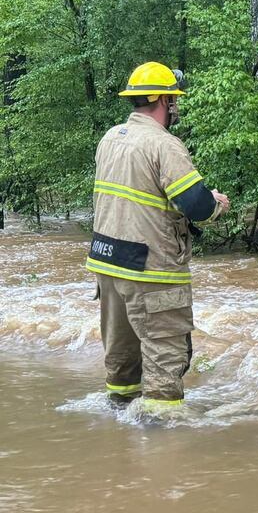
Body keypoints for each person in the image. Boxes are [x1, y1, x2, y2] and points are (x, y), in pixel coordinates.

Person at [89, 62, 230, 412]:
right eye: (174, 99)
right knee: (164, 360)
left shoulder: (110, 138)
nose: (176, 106)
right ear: (165, 100)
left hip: (107, 263)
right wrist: (217, 203)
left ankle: (118, 422)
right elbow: (196, 205)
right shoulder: (164, 145)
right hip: (151, 270)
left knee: (121, 363)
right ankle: (161, 434)